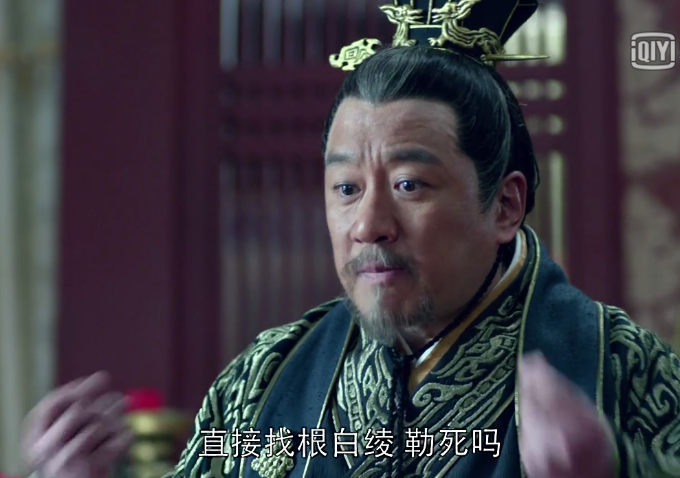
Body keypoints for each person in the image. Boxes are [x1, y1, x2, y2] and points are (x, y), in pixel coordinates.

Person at [20, 0, 680, 477]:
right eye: (345, 188)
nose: (368, 224)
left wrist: (612, 469)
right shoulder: (266, 376)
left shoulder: (621, 369)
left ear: (505, 205)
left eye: (410, 184)